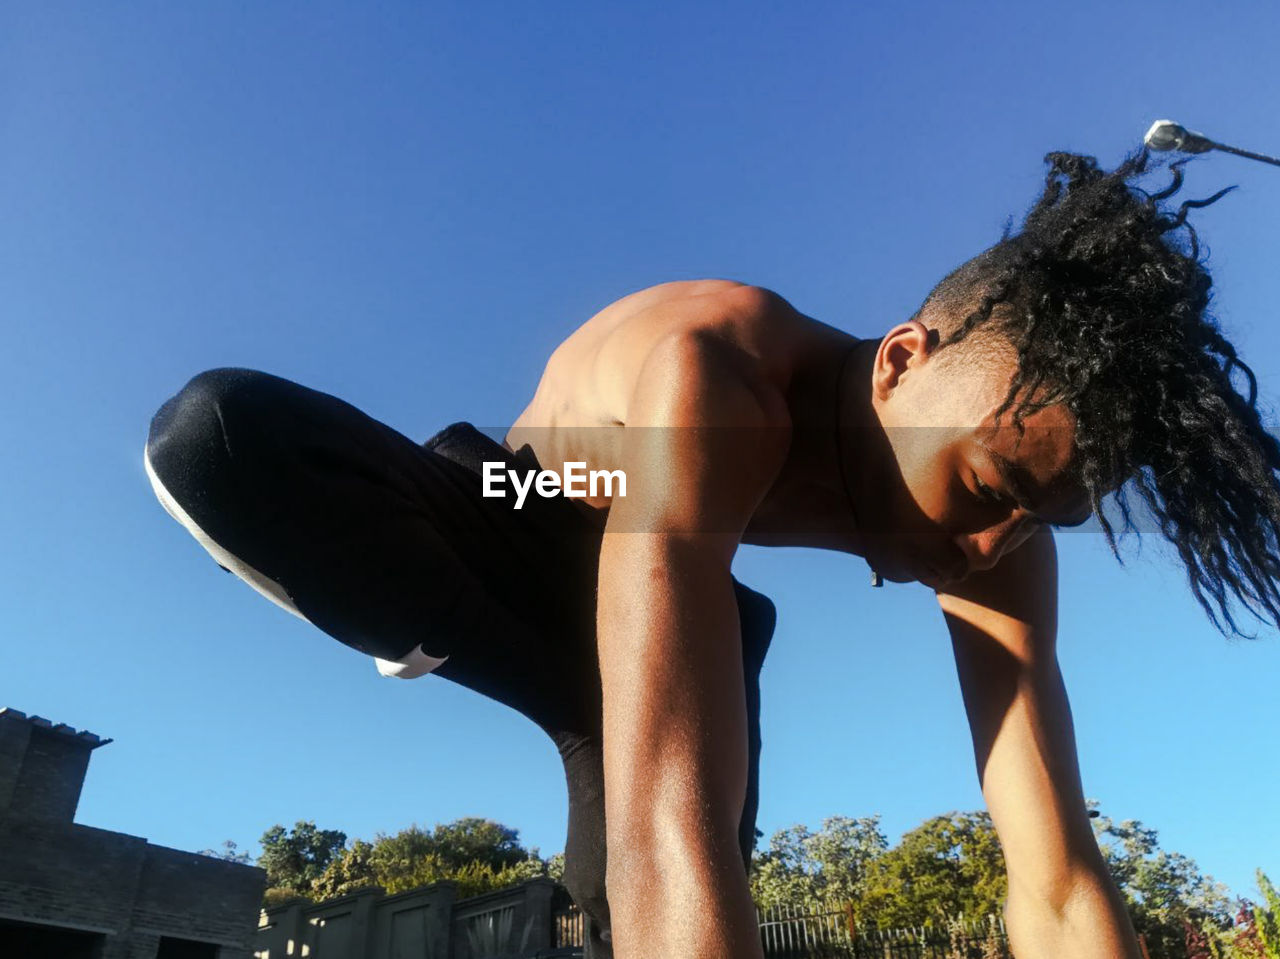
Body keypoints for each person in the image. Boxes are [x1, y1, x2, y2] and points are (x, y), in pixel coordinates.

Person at [143, 148, 1278, 959]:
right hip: (512, 505)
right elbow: (667, 819)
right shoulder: (721, 377)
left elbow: (1056, 867)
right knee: (223, 435)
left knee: (632, 897)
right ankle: (459, 638)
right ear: (898, 362)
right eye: (985, 488)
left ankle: (600, 711)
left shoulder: (1004, 537)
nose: (990, 544)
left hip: (682, 606)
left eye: (1040, 518)